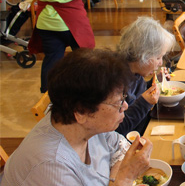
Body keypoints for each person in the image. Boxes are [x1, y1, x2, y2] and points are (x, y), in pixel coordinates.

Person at [1, 48, 153, 185]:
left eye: (124, 97)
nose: (125, 106)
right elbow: (123, 162)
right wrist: (124, 178)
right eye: (118, 102)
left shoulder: (88, 126)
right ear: (81, 112)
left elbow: (120, 146)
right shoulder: (50, 166)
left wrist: (114, 180)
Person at [116, 16, 176, 135]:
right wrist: (144, 103)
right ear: (142, 55)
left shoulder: (134, 72)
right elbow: (117, 130)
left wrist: (155, 83)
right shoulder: (115, 82)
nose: (160, 63)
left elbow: (137, 94)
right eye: (158, 57)